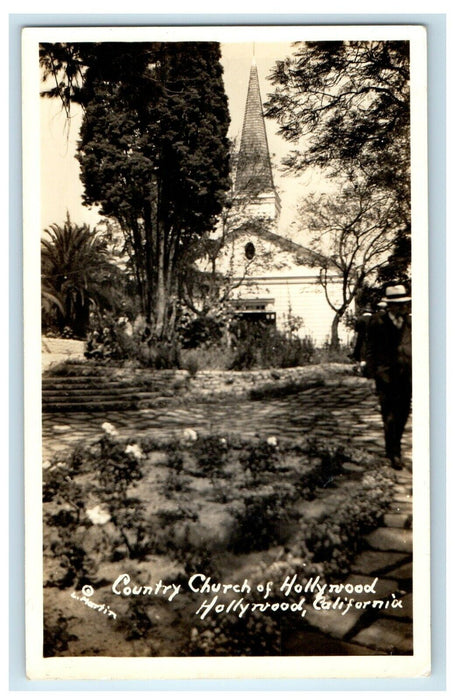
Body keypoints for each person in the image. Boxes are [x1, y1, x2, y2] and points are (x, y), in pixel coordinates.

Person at [365, 284, 412, 470]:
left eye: (404, 304)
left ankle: (395, 445)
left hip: (407, 375)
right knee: (389, 415)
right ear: (390, 306)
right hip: (386, 376)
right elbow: (370, 349)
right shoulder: (378, 322)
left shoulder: (410, 323)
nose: (403, 308)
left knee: (403, 414)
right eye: (399, 305)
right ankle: (394, 452)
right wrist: (373, 373)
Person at [352, 304, 373, 373]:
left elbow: (356, 331)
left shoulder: (360, 319)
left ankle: (360, 367)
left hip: (361, 337)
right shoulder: (373, 318)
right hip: (371, 337)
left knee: (360, 351)